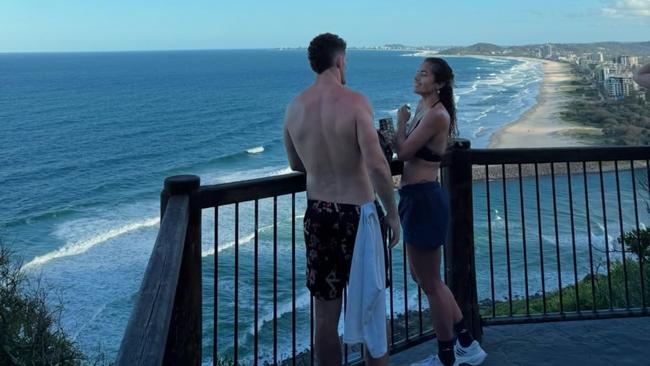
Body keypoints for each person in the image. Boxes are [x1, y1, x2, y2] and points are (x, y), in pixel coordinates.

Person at [283, 33, 400, 366]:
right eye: (346, 60)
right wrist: (392, 213)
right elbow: (377, 164)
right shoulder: (355, 101)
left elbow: (295, 163)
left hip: (319, 215)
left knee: (324, 316)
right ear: (339, 61)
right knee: (372, 308)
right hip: (359, 216)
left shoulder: (294, 106)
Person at [394, 58, 487, 366]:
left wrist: (399, 123)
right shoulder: (424, 110)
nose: (417, 77)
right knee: (425, 278)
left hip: (424, 199)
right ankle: (466, 344)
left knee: (431, 283)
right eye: (418, 72)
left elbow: (404, 151)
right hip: (413, 197)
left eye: (424, 74)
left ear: (440, 84)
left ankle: (447, 357)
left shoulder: (436, 114)